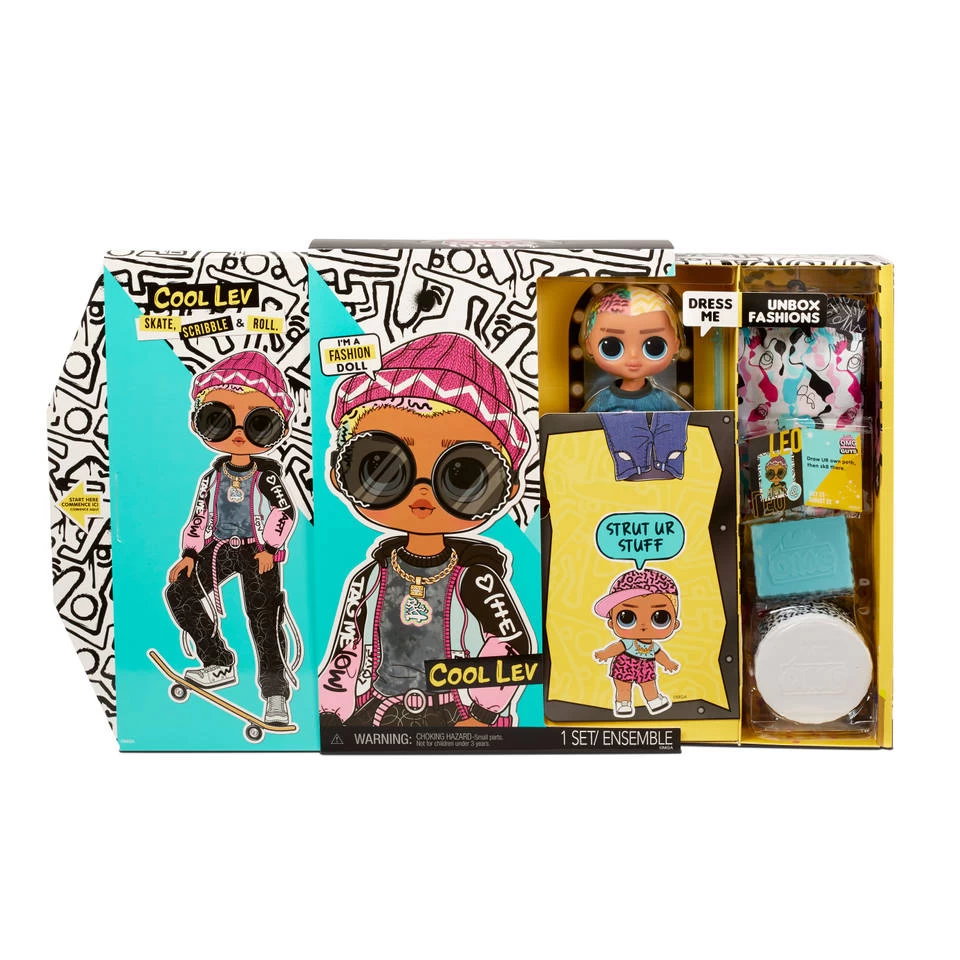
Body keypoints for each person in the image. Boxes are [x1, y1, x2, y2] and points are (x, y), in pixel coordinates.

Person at [319, 332, 534, 727]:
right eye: (382, 466)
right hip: (378, 711)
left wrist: (483, 713)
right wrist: (331, 712)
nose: (422, 493)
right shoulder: (370, 578)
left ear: (506, 489)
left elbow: (511, 645)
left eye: (462, 475)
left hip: (455, 712)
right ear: (340, 471)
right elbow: (346, 650)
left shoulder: (477, 580)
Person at [165, 351, 300, 725]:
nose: (239, 434)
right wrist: (190, 554)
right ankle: (217, 661)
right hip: (219, 549)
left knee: (264, 619)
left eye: (258, 424)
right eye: (220, 419)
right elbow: (198, 517)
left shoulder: (267, 476)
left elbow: (285, 512)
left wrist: (270, 547)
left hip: (258, 552)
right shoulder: (211, 477)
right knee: (180, 592)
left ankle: (275, 693)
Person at [581, 285, 690, 412]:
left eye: (654, 347)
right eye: (612, 347)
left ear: (676, 345)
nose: (633, 357)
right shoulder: (604, 401)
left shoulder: (660, 399)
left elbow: (681, 420)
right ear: (589, 346)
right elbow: (587, 423)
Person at [593, 568, 681, 717]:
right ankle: (623, 703)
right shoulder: (628, 643)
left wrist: (668, 663)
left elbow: (659, 655)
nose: (643, 626)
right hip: (624, 665)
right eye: (626, 617)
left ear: (675, 624)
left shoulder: (653, 647)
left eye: (660, 618)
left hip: (646, 667)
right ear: (611, 623)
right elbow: (617, 647)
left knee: (649, 684)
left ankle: (654, 700)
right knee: (623, 686)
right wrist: (605, 654)